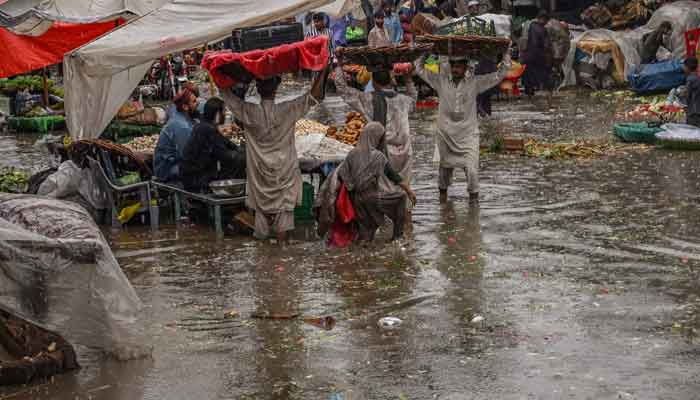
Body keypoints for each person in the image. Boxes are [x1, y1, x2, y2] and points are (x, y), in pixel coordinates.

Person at [222, 71, 327, 242]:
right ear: (277, 88)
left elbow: (227, 97)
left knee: (261, 224)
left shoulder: (249, 111)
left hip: (260, 175)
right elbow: (313, 97)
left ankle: (265, 261)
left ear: (257, 88)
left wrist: (221, 76)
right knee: (283, 223)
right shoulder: (286, 110)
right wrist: (322, 70)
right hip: (284, 173)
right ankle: (281, 254)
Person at [415, 47, 511, 204]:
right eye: (453, 66)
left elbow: (499, 75)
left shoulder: (475, 83)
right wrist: (425, 53)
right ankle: (444, 207)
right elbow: (419, 69)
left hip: (468, 134)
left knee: (472, 172)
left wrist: (506, 53)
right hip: (445, 134)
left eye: (459, 66)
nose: (455, 69)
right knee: (443, 175)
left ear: (466, 67)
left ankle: (473, 213)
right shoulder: (440, 81)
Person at [334, 48, 418, 186]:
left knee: (382, 193)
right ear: (391, 80)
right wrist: (408, 79)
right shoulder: (404, 100)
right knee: (403, 194)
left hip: (382, 154)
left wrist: (339, 65)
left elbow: (342, 88)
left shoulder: (366, 100)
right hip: (405, 154)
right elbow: (413, 98)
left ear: (373, 81)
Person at [337, 122, 417, 242]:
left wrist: (353, 187)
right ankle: (397, 237)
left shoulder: (352, 153)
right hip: (373, 198)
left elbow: (343, 174)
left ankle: (362, 250)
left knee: (366, 232)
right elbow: (394, 177)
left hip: (356, 200)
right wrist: (409, 192)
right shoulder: (378, 156)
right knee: (400, 198)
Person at [180, 97, 246, 193]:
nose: (225, 114)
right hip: (197, 179)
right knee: (239, 160)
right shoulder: (207, 129)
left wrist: (241, 149)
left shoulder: (204, 125)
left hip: (194, 176)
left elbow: (227, 143)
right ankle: (232, 198)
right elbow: (224, 155)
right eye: (223, 111)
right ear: (218, 114)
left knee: (239, 157)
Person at [153, 88, 198, 182]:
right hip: (167, 170)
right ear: (185, 107)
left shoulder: (184, 118)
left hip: (173, 162)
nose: (197, 103)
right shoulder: (181, 126)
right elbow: (187, 155)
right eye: (194, 102)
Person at [522, 10, 552, 96]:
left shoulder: (529, 25)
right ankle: (543, 88)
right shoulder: (542, 30)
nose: (546, 22)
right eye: (546, 20)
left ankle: (529, 90)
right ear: (543, 19)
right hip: (538, 54)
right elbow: (545, 45)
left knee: (528, 73)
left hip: (527, 54)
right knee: (541, 73)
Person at [683, 57, 700, 127]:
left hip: (693, 112)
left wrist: (680, 94)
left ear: (687, 67)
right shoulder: (697, 78)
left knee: (692, 131)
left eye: (684, 66)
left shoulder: (690, 79)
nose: (683, 68)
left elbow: (687, 95)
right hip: (698, 109)